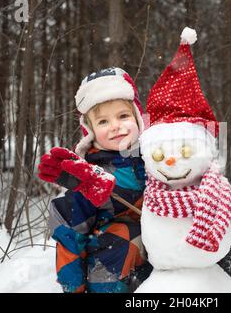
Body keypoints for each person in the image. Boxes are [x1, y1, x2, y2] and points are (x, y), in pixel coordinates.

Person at [38, 67, 151, 293]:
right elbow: (70, 229)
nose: (115, 126)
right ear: (89, 131)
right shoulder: (89, 176)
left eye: (123, 116)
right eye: (102, 122)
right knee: (123, 233)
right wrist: (74, 287)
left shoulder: (156, 158)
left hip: (161, 260)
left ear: (138, 119)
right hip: (112, 268)